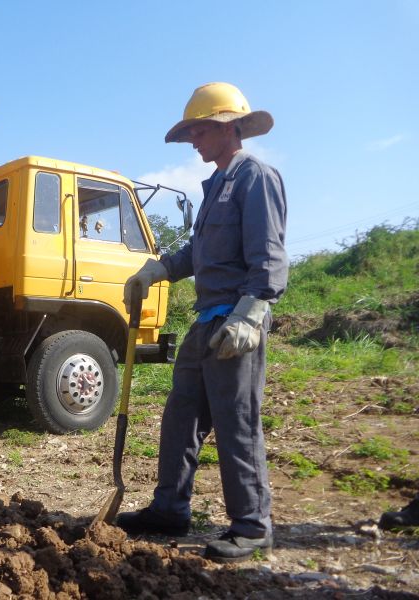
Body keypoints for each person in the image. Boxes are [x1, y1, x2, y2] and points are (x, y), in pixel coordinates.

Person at [117, 82, 288, 564]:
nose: (194, 140)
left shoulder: (256, 176)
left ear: (228, 127)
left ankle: (252, 526)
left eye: (200, 130)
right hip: (205, 322)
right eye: (191, 131)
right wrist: (158, 268)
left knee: (238, 424)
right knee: (180, 419)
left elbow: (269, 255)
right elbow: (200, 252)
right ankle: (170, 508)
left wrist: (252, 314)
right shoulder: (217, 185)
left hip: (235, 320)